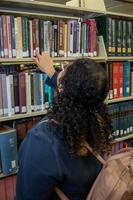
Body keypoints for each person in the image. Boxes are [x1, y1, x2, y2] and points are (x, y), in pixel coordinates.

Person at [16, 52, 113, 200]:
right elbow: (79, 93)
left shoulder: (41, 141)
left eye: (63, 70)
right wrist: (51, 72)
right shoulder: (98, 123)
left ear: (61, 88)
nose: (59, 72)